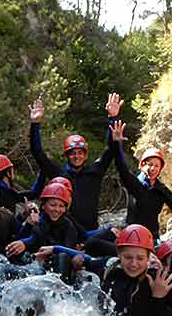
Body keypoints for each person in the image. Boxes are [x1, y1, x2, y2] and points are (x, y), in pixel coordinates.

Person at [28, 93, 123, 231]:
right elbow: (38, 153)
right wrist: (35, 124)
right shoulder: (58, 174)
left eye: (80, 153)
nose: (76, 156)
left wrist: (112, 118)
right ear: (67, 155)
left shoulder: (95, 171)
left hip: (90, 232)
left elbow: (110, 150)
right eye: (72, 153)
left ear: (85, 155)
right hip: (64, 233)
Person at [109, 120, 172, 240]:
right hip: (132, 234)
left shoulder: (161, 189)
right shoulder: (134, 184)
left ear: (160, 169)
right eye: (150, 164)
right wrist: (116, 144)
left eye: (156, 166)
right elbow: (122, 167)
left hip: (152, 237)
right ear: (142, 165)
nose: (153, 169)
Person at [0, 137, 44, 211]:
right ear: (7, 172)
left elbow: (34, 193)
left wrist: (43, 171)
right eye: (12, 169)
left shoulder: (10, 194)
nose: (14, 172)